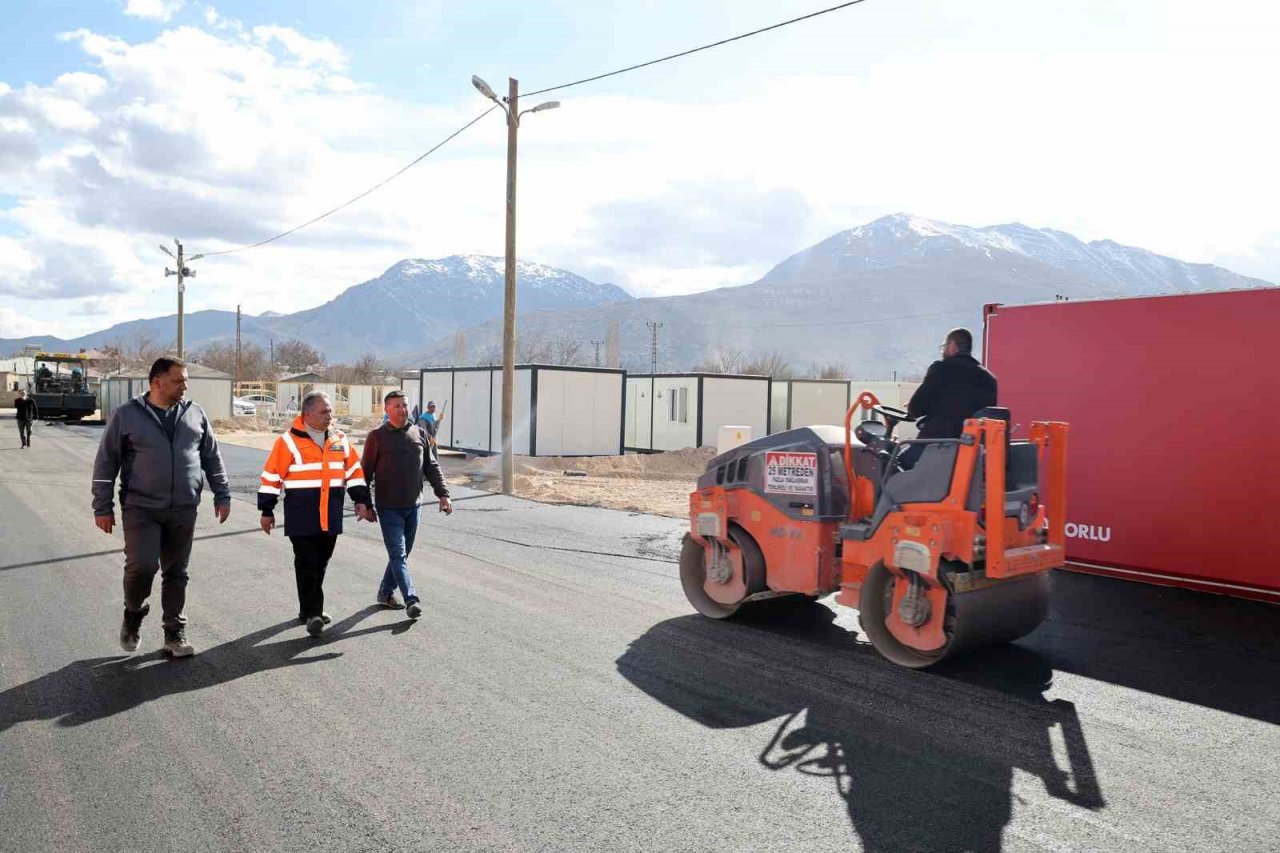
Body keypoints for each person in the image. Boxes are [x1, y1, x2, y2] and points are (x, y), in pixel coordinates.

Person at [92, 356, 232, 657]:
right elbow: (106, 463)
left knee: (177, 572)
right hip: (141, 507)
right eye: (178, 380)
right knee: (142, 566)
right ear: (157, 382)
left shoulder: (195, 413)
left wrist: (223, 494)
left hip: (183, 507)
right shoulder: (126, 415)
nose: (185, 385)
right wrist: (102, 507)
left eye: (185, 380)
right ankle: (133, 611)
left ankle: (174, 633)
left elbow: (211, 458)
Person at [258, 390, 372, 637]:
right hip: (302, 516)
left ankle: (308, 609)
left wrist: (362, 501)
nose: (329, 415)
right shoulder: (287, 442)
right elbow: (271, 477)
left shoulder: (340, 439)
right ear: (307, 413)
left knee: (321, 563)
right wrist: (266, 510)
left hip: (330, 515)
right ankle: (313, 613)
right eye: (324, 411)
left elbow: (354, 473)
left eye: (330, 411)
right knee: (307, 563)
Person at [361, 390, 452, 619]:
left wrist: (443, 494)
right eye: (397, 406)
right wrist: (365, 503)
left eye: (405, 405)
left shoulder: (419, 433)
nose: (402, 410)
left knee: (402, 553)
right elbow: (365, 473)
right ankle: (411, 599)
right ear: (386, 410)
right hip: (388, 507)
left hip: (414, 506)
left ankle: (384, 592)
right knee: (398, 554)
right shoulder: (376, 437)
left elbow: (431, 467)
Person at [901, 328, 998, 468]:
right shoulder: (989, 379)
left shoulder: (942, 369)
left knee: (892, 463)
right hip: (970, 454)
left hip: (935, 447)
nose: (943, 351)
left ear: (952, 346)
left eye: (944, 347)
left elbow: (917, 408)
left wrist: (912, 408)